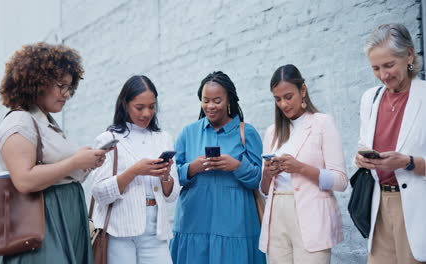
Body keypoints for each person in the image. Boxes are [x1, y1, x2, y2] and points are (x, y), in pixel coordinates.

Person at [0, 42, 108, 263]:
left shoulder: (44, 120)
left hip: (62, 217)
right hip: (42, 220)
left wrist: (84, 161)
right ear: (36, 82)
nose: (66, 93)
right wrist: (74, 161)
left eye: (70, 87)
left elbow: (58, 168)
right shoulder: (20, 121)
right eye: (60, 85)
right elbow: (24, 180)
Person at [169, 71, 266, 264]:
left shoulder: (247, 133)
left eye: (217, 100)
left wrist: (236, 166)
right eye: (206, 100)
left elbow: (261, 180)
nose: (210, 106)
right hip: (194, 223)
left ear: (229, 100)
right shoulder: (189, 133)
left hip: (235, 225)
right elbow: (171, 178)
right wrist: (192, 168)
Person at [258, 64, 348, 264]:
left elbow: (341, 181)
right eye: (278, 99)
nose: (283, 104)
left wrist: (300, 168)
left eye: (288, 96)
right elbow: (265, 191)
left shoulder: (322, 123)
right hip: (277, 218)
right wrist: (267, 175)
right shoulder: (272, 132)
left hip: (312, 218)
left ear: (303, 90)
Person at [355, 23, 426, 263]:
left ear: (408, 55)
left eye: (389, 65)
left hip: (417, 210)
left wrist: (407, 163)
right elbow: (364, 143)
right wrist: (361, 158)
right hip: (379, 206)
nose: (383, 75)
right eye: (376, 68)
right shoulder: (370, 99)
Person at [91, 75, 179, 264]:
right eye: (139, 107)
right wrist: (134, 171)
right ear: (125, 104)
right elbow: (99, 193)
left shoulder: (163, 138)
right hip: (119, 233)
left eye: (152, 106)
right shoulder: (109, 138)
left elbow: (172, 196)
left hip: (156, 232)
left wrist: (165, 176)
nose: (147, 113)